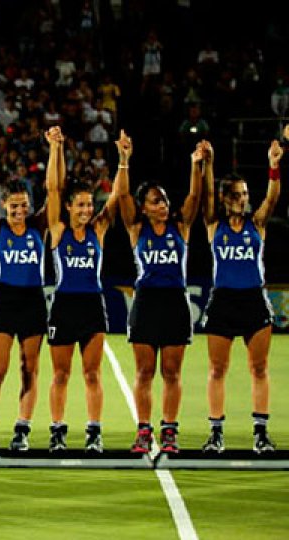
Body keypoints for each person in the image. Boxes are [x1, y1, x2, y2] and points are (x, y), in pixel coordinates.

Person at [200, 128, 286, 454]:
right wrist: (207, 165)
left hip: (253, 299)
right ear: (224, 199)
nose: (242, 199)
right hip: (223, 300)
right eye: (235, 194)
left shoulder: (257, 224)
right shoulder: (214, 224)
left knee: (260, 368)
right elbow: (206, 197)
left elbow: (273, 197)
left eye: (245, 194)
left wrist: (273, 165)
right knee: (217, 369)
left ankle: (261, 433)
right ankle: (216, 433)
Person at [117, 136, 204, 454]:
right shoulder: (136, 229)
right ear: (144, 207)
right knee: (144, 371)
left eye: (165, 200)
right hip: (146, 302)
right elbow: (123, 194)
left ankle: (169, 431)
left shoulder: (180, 229)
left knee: (171, 371)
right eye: (156, 201)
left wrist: (197, 164)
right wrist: (124, 159)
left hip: (175, 303)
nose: (163, 205)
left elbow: (195, 195)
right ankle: (143, 430)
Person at [43, 126, 125, 452]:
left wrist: (124, 159)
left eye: (90, 205)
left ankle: (94, 432)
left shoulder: (99, 230)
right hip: (64, 305)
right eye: (80, 205)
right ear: (68, 207)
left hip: (93, 305)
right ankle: (58, 431)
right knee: (61, 375)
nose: (87, 210)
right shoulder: (59, 231)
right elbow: (52, 189)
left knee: (92, 374)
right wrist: (55, 148)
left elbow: (118, 195)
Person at [0, 122, 48, 453]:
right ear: (5, 206)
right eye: (13, 206)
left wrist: (55, 147)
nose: (19, 211)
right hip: (4, 299)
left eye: (23, 205)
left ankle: (22, 429)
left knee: (28, 369)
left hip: (32, 300)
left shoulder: (38, 228)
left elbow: (55, 191)